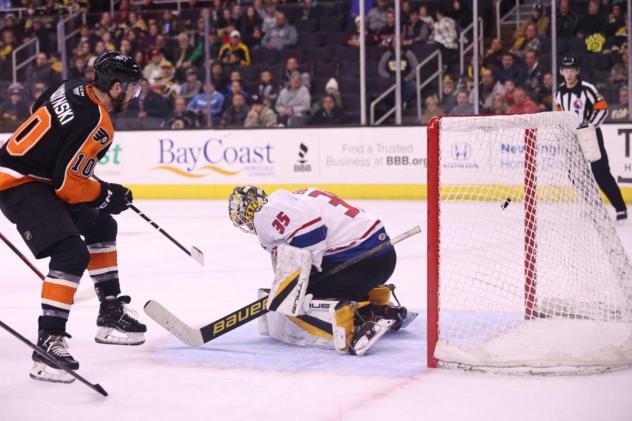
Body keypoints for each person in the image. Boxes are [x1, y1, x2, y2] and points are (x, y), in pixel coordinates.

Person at [0, 51, 147, 384]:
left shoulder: (70, 86)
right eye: (132, 89)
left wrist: (100, 199)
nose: (133, 96)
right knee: (71, 252)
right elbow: (69, 186)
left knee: (101, 224)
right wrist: (106, 194)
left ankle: (110, 311)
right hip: (20, 185)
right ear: (115, 86)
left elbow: (35, 110)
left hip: (30, 175)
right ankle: (48, 342)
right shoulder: (99, 123)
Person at [227, 186, 411, 356]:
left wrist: (297, 285)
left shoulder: (264, 216)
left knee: (305, 293)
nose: (248, 225)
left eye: (243, 220)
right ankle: (379, 307)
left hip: (363, 265)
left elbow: (312, 233)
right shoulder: (293, 197)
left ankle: (356, 325)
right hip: (383, 257)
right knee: (310, 284)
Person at [554, 55, 627, 220]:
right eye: (566, 70)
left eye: (572, 70)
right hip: (572, 138)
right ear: (561, 72)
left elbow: (602, 108)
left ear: (577, 71)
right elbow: (559, 113)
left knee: (601, 172)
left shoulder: (587, 89)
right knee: (576, 174)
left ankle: (620, 207)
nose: (569, 74)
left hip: (591, 136)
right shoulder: (559, 92)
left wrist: (589, 126)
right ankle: (594, 206)